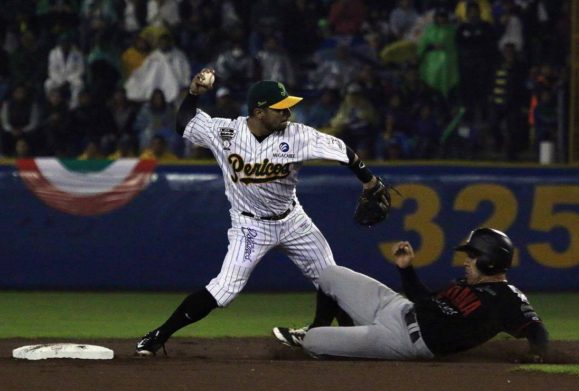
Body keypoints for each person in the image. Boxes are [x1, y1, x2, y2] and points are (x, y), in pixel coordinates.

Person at [135, 71, 390, 356]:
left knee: (331, 278)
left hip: (294, 221)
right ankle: (158, 336)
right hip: (250, 226)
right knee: (224, 290)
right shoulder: (226, 132)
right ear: (258, 112)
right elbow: (185, 122)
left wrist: (369, 181)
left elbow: (342, 149)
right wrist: (194, 93)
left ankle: (329, 338)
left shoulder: (298, 135)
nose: (288, 112)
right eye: (279, 108)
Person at [273, 227, 549, 363]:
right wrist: (406, 270)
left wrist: (536, 354)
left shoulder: (507, 298)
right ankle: (324, 327)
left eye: (473, 255)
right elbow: (424, 300)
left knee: (312, 343)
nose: (466, 261)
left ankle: (333, 338)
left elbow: (535, 328)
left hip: (402, 341)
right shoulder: (465, 284)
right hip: (396, 307)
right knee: (329, 274)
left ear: (490, 260)